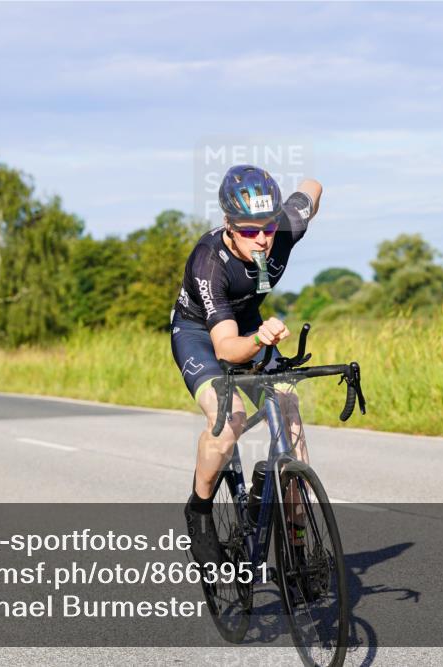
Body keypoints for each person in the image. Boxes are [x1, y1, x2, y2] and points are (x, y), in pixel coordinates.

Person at [171, 164, 322, 566]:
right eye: (249, 231)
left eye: (267, 229)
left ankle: (298, 550)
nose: (261, 240)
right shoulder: (209, 261)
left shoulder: (284, 226)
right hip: (201, 335)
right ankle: (199, 512)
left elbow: (313, 188)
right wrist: (259, 339)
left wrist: (299, 200)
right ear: (228, 224)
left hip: (250, 326)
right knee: (230, 417)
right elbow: (226, 349)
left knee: (288, 412)